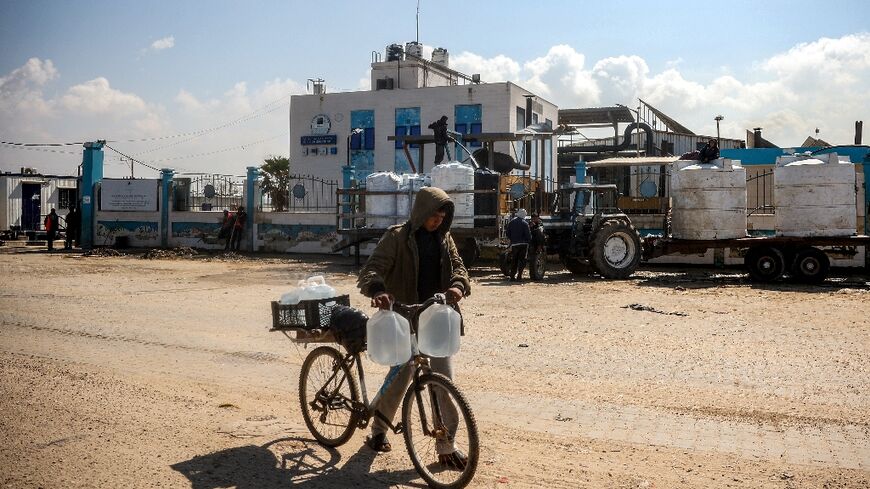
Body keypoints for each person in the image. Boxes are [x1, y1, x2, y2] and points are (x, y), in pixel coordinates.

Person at [357, 186, 471, 469]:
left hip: (436, 318)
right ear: (421, 212)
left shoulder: (445, 240)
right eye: (434, 213)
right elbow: (372, 269)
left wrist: (458, 286)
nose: (439, 219)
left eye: (443, 214)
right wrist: (378, 291)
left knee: (443, 382)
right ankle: (378, 431)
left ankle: (446, 445)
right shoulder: (397, 237)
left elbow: (459, 268)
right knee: (400, 378)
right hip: (405, 320)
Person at [505, 208, 531, 281]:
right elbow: (528, 235)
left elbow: (507, 233)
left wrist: (512, 240)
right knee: (522, 260)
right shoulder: (525, 223)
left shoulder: (511, 222)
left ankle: (512, 277)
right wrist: (529, 241)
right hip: (523, 245)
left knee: (514, 260)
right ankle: (519, 276)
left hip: (514, 245)